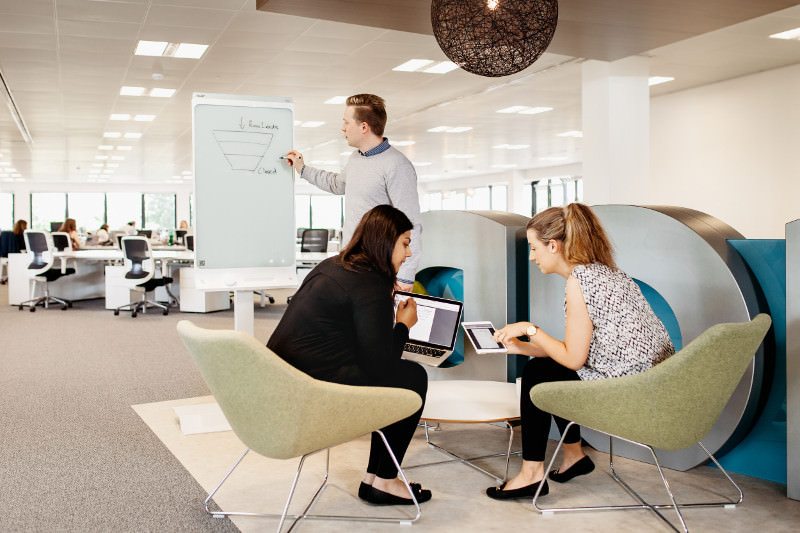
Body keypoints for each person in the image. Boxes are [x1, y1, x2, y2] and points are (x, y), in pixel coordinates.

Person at [485, 203, 675, 501]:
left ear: (553, 245)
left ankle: (532, 474)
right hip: (651, 382)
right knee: (546, 369)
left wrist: (530, 329)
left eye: (534, 248)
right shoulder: (606, 273)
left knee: (538, 373)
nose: (532, 257)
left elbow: (574, 359)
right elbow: (578, 353)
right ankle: (574, 455)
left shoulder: (580, 281)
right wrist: (522, 348)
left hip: (631, 391)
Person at [267, 204, 431, 506]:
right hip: (311, 390)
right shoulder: (369, 284)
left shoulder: (334, 265)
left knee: (397, 377)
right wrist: (403, 326)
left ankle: (375, 478)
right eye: (405, 244)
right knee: (411, 376)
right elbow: (381, 366)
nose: (408, 254)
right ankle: (384, 479)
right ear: (386, 241)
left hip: (283, 381)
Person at [284, 94, 422, 291]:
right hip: (351, 260)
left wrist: (406, 277)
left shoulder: (397, 165)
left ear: (364, 127)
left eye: (346, 122)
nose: (343, 128)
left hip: (378, 265)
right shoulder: (356, 158)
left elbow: (411, 223)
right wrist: (302, 168)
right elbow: (337, 184)